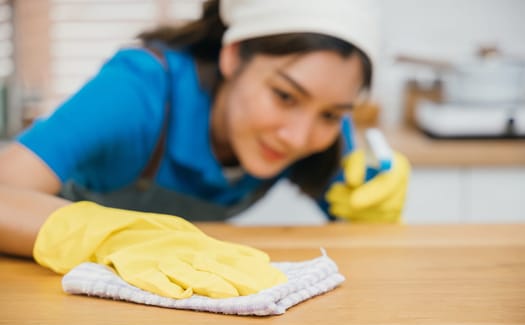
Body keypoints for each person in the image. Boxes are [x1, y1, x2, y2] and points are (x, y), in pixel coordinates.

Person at [0, 0, 410, 298]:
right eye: (285, 96)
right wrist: (108, 236)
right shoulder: (138, 91)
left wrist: (370, 213)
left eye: (332, 113)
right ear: (233, 56)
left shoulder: (320, 127)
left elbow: (360, 257)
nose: (298, 137)